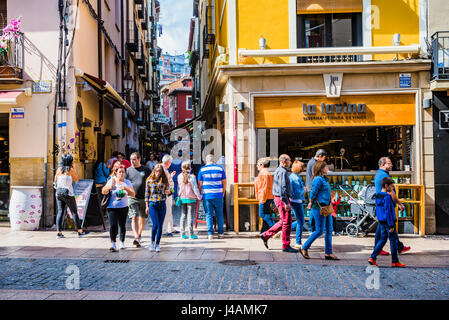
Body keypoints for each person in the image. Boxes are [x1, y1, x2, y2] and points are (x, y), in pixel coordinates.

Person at [300, 161, 339, 260]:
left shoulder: (323, 179)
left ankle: (328, 253)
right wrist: (311, 202)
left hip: (326, 207)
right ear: (321, 169)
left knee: (329, 230)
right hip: (319, 208)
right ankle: (304, 247)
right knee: (319, 230)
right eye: (326, 167)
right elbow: (313, 193)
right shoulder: (318, 179)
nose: (327, 168)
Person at [259, 154, 298, 253]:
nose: (291, 162)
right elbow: (282, 188)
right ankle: (285, 245)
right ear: (284, 161)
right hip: (282, 199)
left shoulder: (281, 171)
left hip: (280, 198)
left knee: (284, 221)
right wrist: (285, 202)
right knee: (286, 223)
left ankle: (265, 235)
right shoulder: (282, 172)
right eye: (289, 160)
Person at [374, 157, 411, 255]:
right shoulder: (383, 176)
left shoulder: (380, 174)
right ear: (383, 165)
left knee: (381, 227)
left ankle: (383, 249)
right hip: (386, 206)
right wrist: (399, 203)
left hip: (383, 205)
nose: (391, 165)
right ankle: (391, 251)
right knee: (389, 229)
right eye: (389, 163)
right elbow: (391, 192)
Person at [368, 177, 406, 267]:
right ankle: (395, 261)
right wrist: (391, 225)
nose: (392, 188)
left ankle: (372, 258)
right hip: (388, 222)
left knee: (382, 239)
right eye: (392, 186)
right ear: (386, 186)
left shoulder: (377, 196)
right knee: (393, 240)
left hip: (381, 221)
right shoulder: (387, 197)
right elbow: (388, 211)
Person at [54, 154, 89, 238]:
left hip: (58, 193)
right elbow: (76, 180)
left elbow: (55, 180)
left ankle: (59, 232)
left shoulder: (59, 169)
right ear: (70, 162)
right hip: (68, 194)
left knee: (60, 212)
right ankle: (80, 232)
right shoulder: (70, 170)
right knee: (74, 212)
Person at [102, 165, 135, 252]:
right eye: (119, 172)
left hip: (123, 207)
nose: (121, 173)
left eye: (123, 172)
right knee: (113, 225)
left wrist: (126, 188)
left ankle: (121, 242)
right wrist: (109, 188)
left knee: (122, 225)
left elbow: (133, 194)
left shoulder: (127, 182)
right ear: (116, 172)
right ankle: (113, 243)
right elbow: (103, 191)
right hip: (112, 207)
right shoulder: (112, 181)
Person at [126, 152, 152, 248]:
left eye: (134, 159)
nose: (132, 161)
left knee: (142, 217)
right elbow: (124, 182)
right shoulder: (128, 171)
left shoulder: (146, 170)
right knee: (134, 217)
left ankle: (139, 234)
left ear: (139, 159)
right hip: (132, 198)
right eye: (131, 159)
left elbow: (151, 181)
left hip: (144, 198)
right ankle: (136, 237)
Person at [198, 154, 227, 240]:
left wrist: (200, 193)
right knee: (219, 214)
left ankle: (210, 234)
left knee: (209, 215)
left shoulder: (202, 169)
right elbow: (224, 182)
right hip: (218, 194)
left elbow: (200, 184)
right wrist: (223, 192)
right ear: (213, 160)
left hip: (207, 195)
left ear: (206, 161)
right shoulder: (220, 169)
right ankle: (220, 233)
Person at [145, 164, 172, 252]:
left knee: (160, 226)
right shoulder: (149, 181)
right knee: (155, 224)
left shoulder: (164, 180)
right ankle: (152, 242)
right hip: (153, 204)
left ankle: (157, 244)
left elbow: (170, 191)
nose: (158, 172)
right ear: (154, 171)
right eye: (156, 170)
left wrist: (169, 192)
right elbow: (147, 195)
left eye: (160, 171)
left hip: (162, 204)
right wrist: (147, 206)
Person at [177, 160, 202, 239]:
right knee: (190, 216)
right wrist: (199, 196)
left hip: (182, 198)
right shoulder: (192, 177)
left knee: (183, 215)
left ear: (182, 168)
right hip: (191, 198)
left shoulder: (179, 176)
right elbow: (195, 188)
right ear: (190, 168)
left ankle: (183, 234)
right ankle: (191, 234)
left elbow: (179, 187)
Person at [306, 149, 327, 232]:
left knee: (314, 208)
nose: (324, 160)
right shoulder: (314, 163)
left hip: (311, 187)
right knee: (314, 208)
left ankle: (313, 228)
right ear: (320, 156)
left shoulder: (311, 161)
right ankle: (311, 228)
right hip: (313, 188)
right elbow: (315, 176)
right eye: (323, 158)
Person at [254, 158, 275, 234]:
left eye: (258, 164)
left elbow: (264, 187)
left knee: (262, 214)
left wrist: (262, 199)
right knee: (266, 214)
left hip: (265, 197)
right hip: (268, 196)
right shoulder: (267, 173)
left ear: (262, 165)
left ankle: (275, 227)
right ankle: (263, 232)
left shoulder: (263, 173)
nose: (257, 166)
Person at [289, 160, 306, 249]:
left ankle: (285, 230)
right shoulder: (295, 178)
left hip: (294, 201)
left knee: (300, 221)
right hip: (296, 201)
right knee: (301, 221)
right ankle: (298, 242)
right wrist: (304, 190)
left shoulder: (292, 176)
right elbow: (297, 192)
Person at [161, 154, 178, 236]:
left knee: (169, 211)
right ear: (168, 162)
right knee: (166, 212)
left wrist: (171, 176)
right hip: (166, 194)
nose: (170, 164)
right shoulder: (161, 169)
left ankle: (170, 228)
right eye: (170, 162)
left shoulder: (165, 169)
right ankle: (164, 230)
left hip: (169, 193)